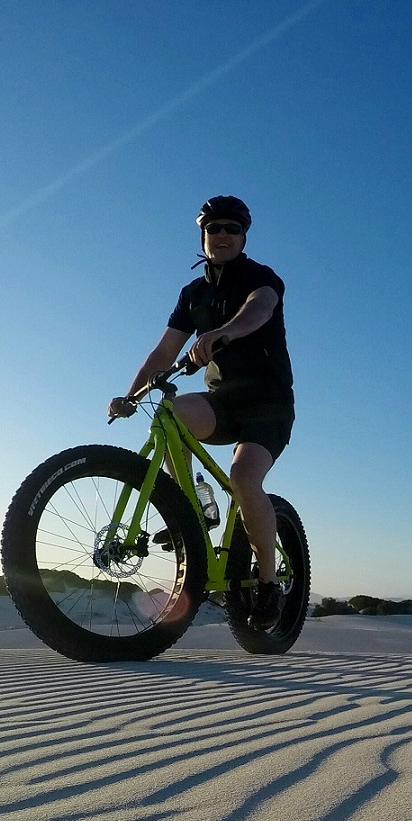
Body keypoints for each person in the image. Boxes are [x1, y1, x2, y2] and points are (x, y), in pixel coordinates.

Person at [110, 194, 294, 628]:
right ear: (203, 236)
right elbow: (165, 350)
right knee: (170, 412)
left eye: (232, 228)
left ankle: (268, 584)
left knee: (245, 476)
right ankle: (192, 510)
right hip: (224, 402)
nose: (223, 235)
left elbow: (259, 310)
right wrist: (130, 395)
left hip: (268, 404)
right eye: (215, 228)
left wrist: (221, 334)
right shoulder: (192, 293)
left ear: (244, 236)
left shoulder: (260, 277)